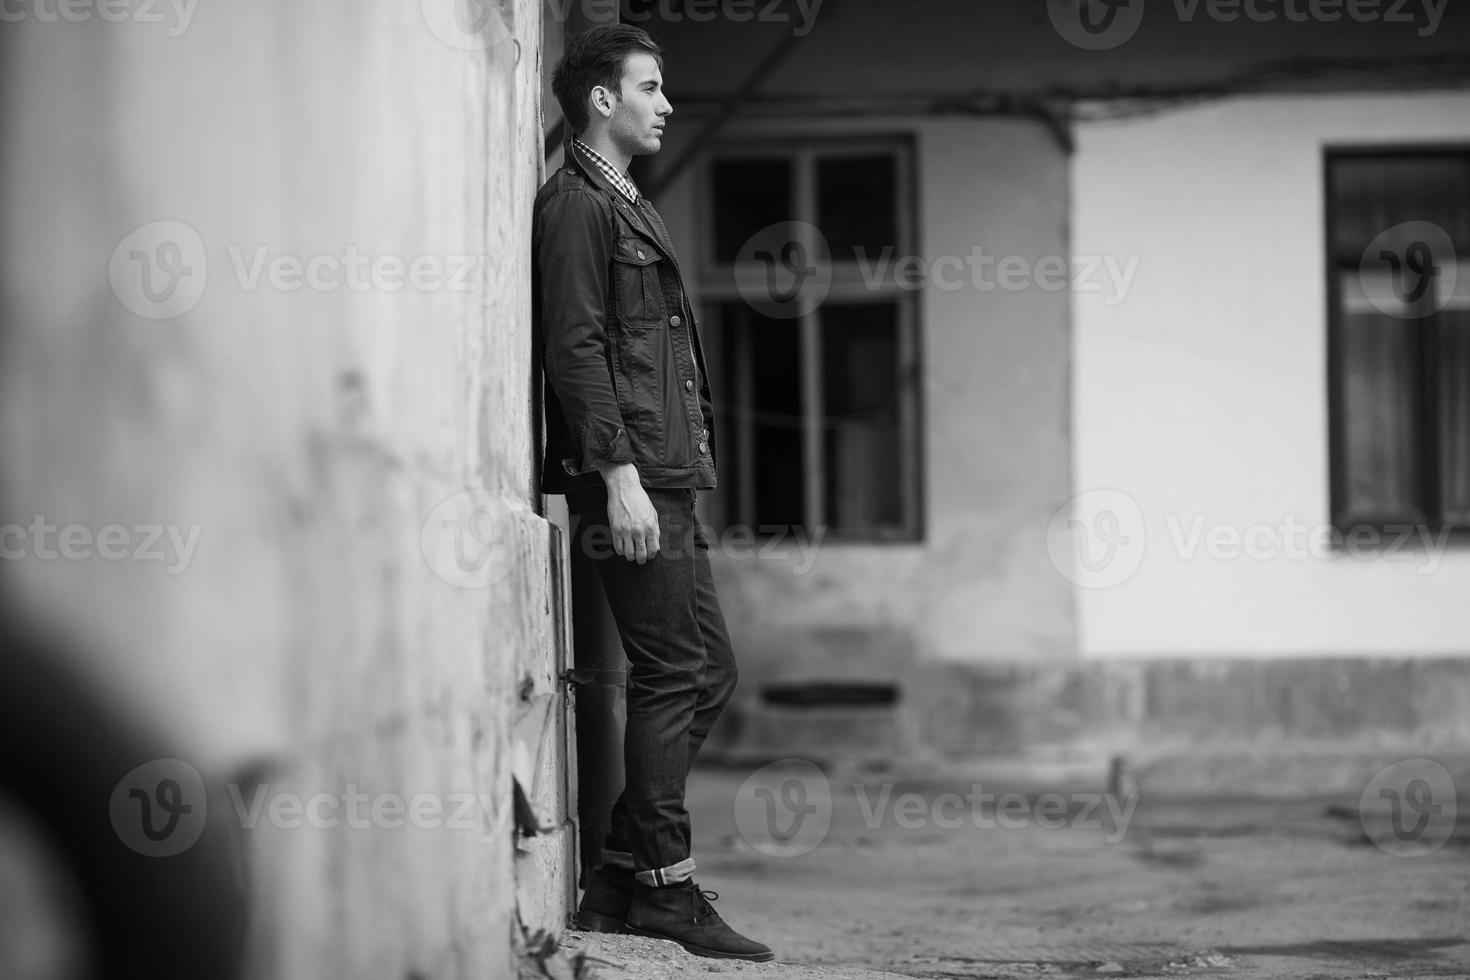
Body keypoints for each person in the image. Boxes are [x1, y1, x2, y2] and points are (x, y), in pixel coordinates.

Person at [533, 23, 774, 965]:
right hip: (631, 481)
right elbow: (576, 347)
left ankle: (618, 878)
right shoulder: (577, 207)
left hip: (665, 473)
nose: (666, 103)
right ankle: (664, 889)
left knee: (707, 673)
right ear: (603, 98)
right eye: (649, 86)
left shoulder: (625, 202)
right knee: (675, 673)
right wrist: (617, 477)